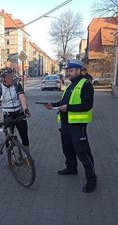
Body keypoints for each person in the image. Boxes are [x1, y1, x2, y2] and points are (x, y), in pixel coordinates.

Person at [44, 59, 97, 193]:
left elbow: (87, 105)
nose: (68, 73)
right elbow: (63, 102)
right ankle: (71, 168)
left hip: (78, 125)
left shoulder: (86, 84)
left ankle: (92, 180)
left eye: (71, 70)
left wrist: (68, 108)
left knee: (83, 153)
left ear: (79, 71)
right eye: (67, 71)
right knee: (67, 149)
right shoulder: (70, 85)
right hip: (66, 123)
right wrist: (53, 105)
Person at [0, 67, 30, 148]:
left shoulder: (17, 85)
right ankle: (10, 157)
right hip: (8, 116)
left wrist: (26, 110)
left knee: (25, 137)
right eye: (8, 76)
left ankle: (27, 156)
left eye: (11, 75)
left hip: (19, 114)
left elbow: (22, 97)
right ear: (3, 78)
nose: (11, 78)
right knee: (8, 139)